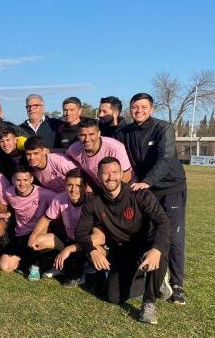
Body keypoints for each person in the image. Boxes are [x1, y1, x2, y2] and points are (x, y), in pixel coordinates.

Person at [75, 157, 172, 324]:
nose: (110, 177)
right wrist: (92, 251)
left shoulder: (140, 195)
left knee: (159, 251)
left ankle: (149, 302)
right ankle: (154, 279)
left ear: (121, 174)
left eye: (114, 172)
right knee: (113, 297)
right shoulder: (94, 202)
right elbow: (80, 232)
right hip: (122, 251)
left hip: (145, 247)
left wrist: (156, 249)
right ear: (98, 175)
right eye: (105, 173)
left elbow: (163, 222)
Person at [115, 92, 188, 305]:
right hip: (145, 189)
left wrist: (147, 181)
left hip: (169, 187)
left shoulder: (163, 128)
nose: (139, 111)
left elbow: (165, 159)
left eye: (143, 107)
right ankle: (155, 275)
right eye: (135, 107)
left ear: (152, 109)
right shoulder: (125, 131)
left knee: (173, 235)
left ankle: (177, 284)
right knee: (148, 233)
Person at [28, 168, 93, 287]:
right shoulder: (60, 198)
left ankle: (85, 270)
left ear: (85, 186)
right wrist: (33, 236)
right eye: (70, 185)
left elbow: (96, 236)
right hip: (68, 239)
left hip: (85, 243)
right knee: (38, 241)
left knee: (74, 274)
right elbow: (46, 219)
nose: (73, 189)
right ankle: (60, 266)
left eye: (78, 185)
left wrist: (70, 250)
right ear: (65, 185)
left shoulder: (92, 202)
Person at [0, 166, 57, 280]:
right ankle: (27, 262)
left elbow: (60, 202)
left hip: (38, 233)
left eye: (25, 180)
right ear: (13, 180)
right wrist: (8, 213)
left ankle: (36, 265)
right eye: (18, 180)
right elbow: (8, 207)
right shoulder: (9, 192)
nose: (22, 183)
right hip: (20, 235)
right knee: (5, 267)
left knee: (38, 241)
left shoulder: (43, 193)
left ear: (31, 179)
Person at [67, 118, 132, 190]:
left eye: (91, 134)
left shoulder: (115, 147)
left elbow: (127, 176)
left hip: (125, 188)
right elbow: (65, 156)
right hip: (99, 189)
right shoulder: (74, 149)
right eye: (82, 135)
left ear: (99, 133)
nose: (87, 139)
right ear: (78, 135)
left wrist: (109, 193)